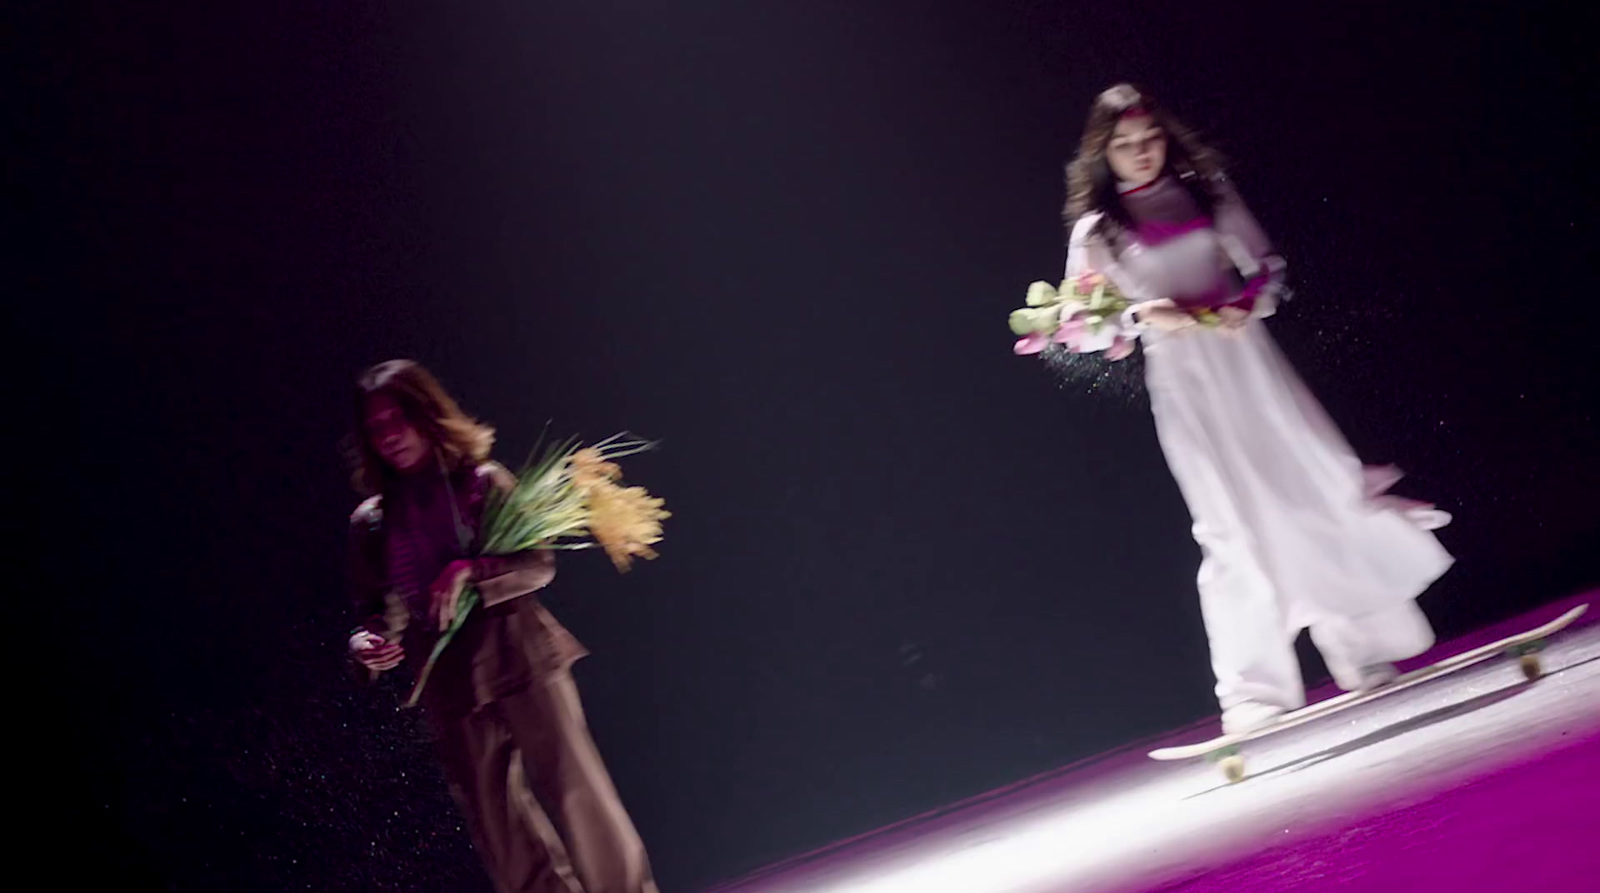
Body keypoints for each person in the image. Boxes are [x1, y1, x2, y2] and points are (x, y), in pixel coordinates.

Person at [1061, 84, 1454, 734]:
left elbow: (1267, 264)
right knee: (1226, 524)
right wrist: (1139, 313)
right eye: (1125, 146)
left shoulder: (1206, 190)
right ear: (1104, 153)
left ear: (1165, 136)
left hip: (1250, 365)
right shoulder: (1097, 230)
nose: (1141, 154)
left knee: (1309, 489)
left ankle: (1363, 648)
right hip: (1185, 382)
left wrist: (1250, 301)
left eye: (1150, 139)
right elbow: (1083, 324)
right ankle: (1255, 691)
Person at [345, 359, 658, 893]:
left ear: (428, 414)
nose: (389, 435)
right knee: (501, 835)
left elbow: (538, 566)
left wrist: (472, 573)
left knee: (579, 801)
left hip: (520, 659)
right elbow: (381, 607)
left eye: (399, 418)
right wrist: (366, 640)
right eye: (376, 428)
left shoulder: (479, 482)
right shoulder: (372, 520)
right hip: (449, 685)